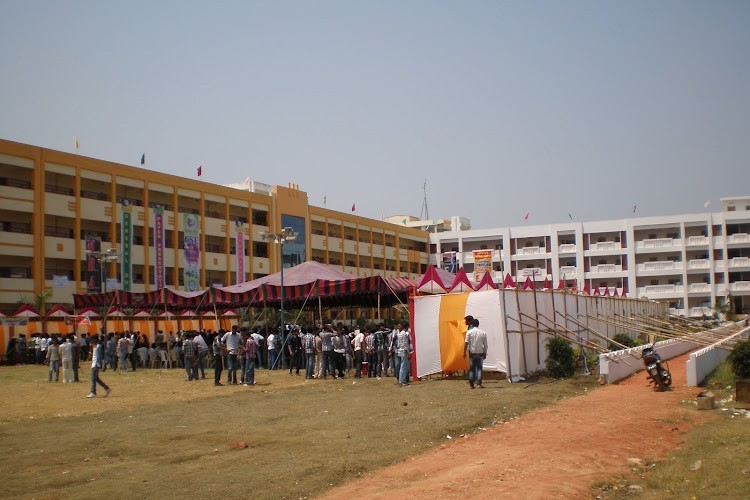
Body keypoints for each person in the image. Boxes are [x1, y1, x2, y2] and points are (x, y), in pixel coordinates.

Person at [463, 317, 488, 389]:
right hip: (480, 353)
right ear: (478, 324)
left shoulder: (469, 332)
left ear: (472, 324)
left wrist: (464, 352)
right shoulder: (483, 332)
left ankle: (471, 384)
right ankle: (479, 383)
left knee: (472, 369)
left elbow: (466, 343)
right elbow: (485, 344)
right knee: (479, 369)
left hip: (472, 353)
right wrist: (485, 352)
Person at [395, 322, 413, 386]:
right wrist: (408, 353)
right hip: (404, 351)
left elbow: (399, 344)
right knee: (404, 367)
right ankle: (402, 381)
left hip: (400, 350)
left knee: (402, 366)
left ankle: (401, 380)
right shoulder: (405, 334)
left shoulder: (399, 334)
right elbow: (405, 345)